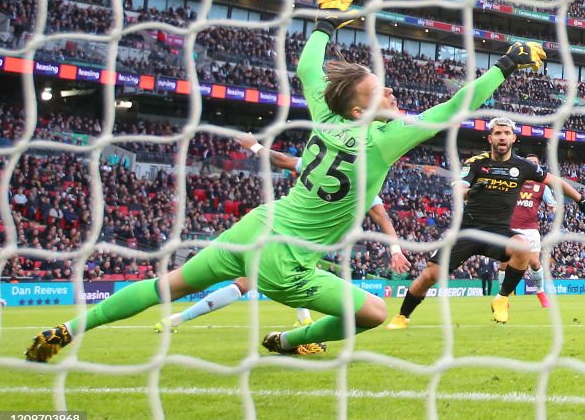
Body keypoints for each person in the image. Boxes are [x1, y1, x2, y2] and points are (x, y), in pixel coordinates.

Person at [25, 0, 547, 362]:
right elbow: (453, 108)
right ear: (362, 107)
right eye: (380, 89)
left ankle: (69, 329)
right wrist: (504, 63)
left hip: (258, 224)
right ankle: (289, 341)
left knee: (168, 284)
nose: (390, 92)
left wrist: (323, 21)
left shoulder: (326, 115)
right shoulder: (386, 139)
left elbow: (306, 70)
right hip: (288, 258)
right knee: (371, 314)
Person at [151, 133, 409, 335]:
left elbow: (284, 161)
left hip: (278, 227)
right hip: (296, 238)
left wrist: (254, 146)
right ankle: (304, 323)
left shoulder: (325, 162)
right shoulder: (363, 183)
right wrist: (395, 250)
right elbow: (381, 216)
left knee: (251, 281)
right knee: (254, 281)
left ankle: (177, 318)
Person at [386, 117, 585, 328]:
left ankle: (502, 298)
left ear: (513, 138)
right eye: (497, 133)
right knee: (430, 275)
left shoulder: (524, 166)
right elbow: (458, 189)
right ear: (490, 138)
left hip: (498, 231)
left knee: (523, 246)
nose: (502, 137)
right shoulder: (476, 163)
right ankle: (403, 316)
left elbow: (554, 181)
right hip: (468, 231)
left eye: (506, 133)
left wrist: (580, 199)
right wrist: (469, 193)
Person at [495, 153, 558, 308]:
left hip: (530, 229)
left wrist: (552, 207)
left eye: (534, 162)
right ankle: (504, 297)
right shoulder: (513, 181)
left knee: (534, 262)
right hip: (510, 228)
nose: (531, 164)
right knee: (503, 264)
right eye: (528, 162)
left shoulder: (542, 187)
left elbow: (552, 203)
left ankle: (540, 292)